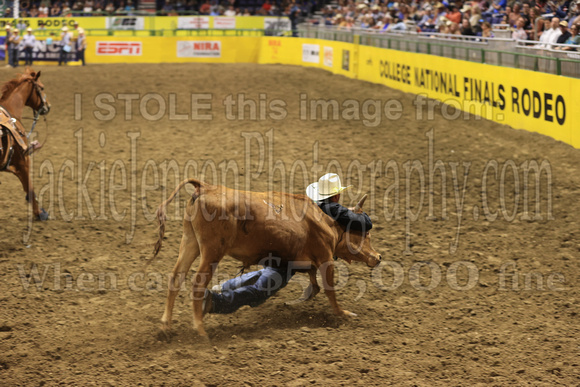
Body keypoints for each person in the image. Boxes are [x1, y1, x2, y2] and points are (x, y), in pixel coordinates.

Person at [203, 173, 373, 315]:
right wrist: (354, 213)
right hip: (290, 255)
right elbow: (365, 223)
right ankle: (216, 302)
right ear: (336, 196)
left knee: (269, 272)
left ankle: (225, 286)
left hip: (280, 241)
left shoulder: (310, 205)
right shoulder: (332, 210)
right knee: (265, 288)